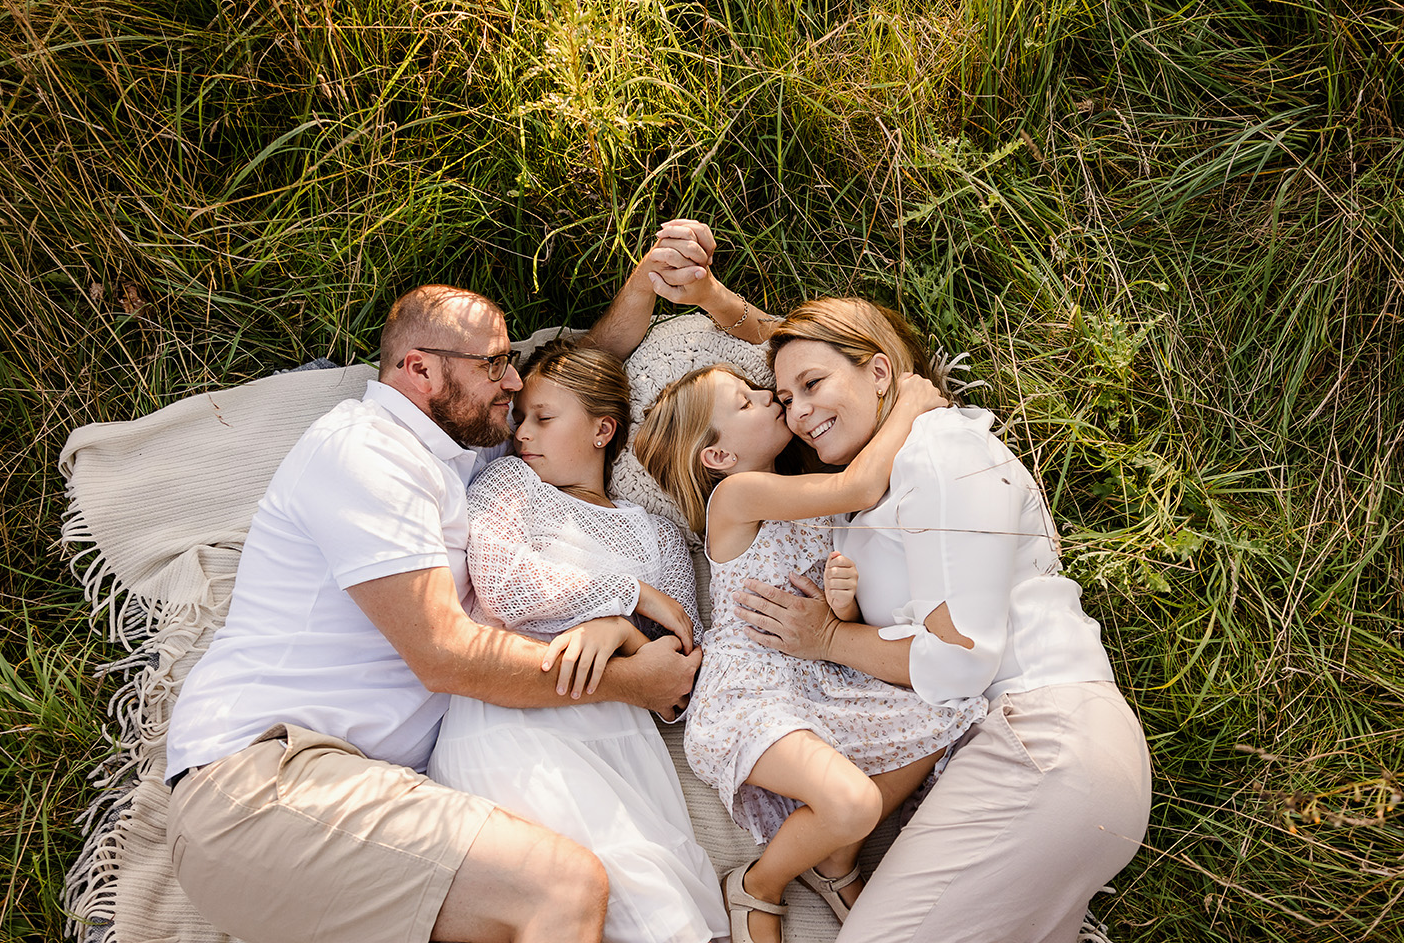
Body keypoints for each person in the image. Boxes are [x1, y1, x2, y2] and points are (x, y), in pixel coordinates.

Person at [162, 222, 722, 943]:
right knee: (565, 889)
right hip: (263, 784)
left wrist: (645, 285)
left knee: (586, 901)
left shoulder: (468, 455)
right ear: (421, 371)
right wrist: (627, 676)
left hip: (360, 793)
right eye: (495, 365)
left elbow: (578, 389)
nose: (513, 383)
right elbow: (444, 654)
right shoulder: (366, 454)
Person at [733, 296, 1154, 943]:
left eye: (813, 384)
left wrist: (828, 638)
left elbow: (959, 661)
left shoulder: (942, 452)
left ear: (880, 374)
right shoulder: (882, 482)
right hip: (1020, 761)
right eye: (785, 399)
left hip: (1041, 743)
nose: (799, 411)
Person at [633, 361, 985, 943]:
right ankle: (758, 884)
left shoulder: (808, 496)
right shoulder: (736, 497)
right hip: (751, 693)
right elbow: (860, 486)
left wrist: (841, 607)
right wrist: (908, 404)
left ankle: (834, 861)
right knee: (853, 803)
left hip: (820, 679)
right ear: (716, 457)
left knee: (944, 713)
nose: (768, 396)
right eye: (745, 403)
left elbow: (830, 610)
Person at [428, 339, 728, 943]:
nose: (522, 435)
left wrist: (613, 628)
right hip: (512, 721)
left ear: (601, 430)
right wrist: (629, 598)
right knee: (602, 900)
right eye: (520, 420)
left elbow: (679, 665)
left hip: (620, 741)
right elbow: (507, 589)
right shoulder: (508, 485)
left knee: (661, 905)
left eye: (543, 418)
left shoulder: (657, 532)